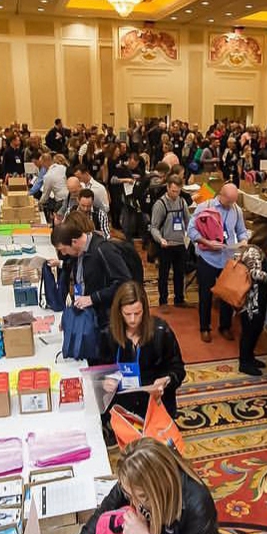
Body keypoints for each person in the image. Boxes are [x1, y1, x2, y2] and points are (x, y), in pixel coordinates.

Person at [49, 438, 228, 534]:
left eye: (140, 497)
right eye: (128, 494)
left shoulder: (197, 503)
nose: (132, 502)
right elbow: (104, 510)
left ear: (157, 489)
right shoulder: (135, 480)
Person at [97, 282, 186, 418]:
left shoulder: (161, 332)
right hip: (121, 405)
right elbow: (97, 369)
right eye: (127, 314)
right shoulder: (108, 334)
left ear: (145, 310)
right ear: (119, 311)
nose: (133, 320)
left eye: (137, 313)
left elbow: (178, 369)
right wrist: (104, 380)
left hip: (155, 404)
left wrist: (167, 380)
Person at [187, 183, 248, 343]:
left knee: (227, 294)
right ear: (221, 195)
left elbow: (241, 231)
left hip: (227, 258)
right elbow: (191, 230)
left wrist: (243, 241)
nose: (231, 205)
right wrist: (206, 242)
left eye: (234, 201)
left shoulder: (236, 210)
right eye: (229, 201)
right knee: (205, 295)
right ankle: (205, 327)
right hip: (207, 257)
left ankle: (225, 326)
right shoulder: (204, 206)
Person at [50, 212, 130, 332]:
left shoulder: (103, 250)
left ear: (74, 242)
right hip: (90, 317)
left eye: (64, 249)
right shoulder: (77, 254)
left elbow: (125, 283)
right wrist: (70, 316)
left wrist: (92, 298)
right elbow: (80, 285)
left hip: (107, 321)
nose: (64, 254)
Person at [238, 223, 267, 377]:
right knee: (249, 330)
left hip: (258, 298)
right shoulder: (253, 252)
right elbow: (255, 273)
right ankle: (244, 362)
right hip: (251, 300)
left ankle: (250, 357)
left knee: (255, 329)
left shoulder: (259, 251)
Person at [149, 176, 189, 308]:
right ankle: (163, 301)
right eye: (173, 191)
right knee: (164, 275)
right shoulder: (160, 204)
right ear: (167, 188)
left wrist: (189, 238)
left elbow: (188, 222)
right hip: (166, 245)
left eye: (177, 191)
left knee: (180, 273)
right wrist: (160, 239)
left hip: (180, 244)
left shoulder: (182, 202)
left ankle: (179, 299)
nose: (175, 194)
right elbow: (153, 227)